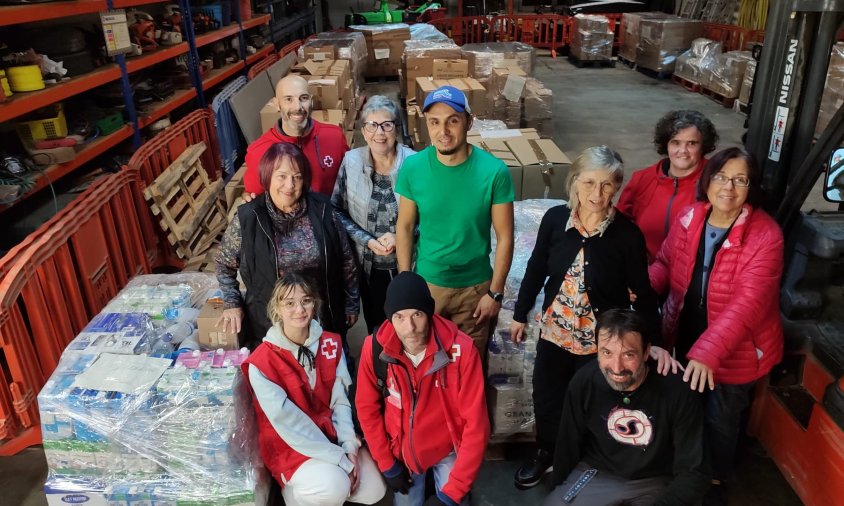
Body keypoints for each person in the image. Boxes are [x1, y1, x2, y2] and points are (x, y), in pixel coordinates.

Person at [510, 146, 663, 490]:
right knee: (547, 395)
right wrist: (520, 314)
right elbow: (536, 269)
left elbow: (643, 291)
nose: (597, 194)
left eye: (608, 185)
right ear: (575, 181)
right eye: (589, 182)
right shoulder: (554, 221)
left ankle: (580, 460)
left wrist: (656, 343)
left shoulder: (626, 235)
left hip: (600, 342)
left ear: (618, 187)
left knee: (592, 401)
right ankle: (546, 452)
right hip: (555, 332)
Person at [649, 147, 784, 504]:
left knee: (720, 419)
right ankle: (689, 470)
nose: (729, 187)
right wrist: (640, 288)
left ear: (750, 188)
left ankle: (714, 481)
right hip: (687, 333)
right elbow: (665, 262)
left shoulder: (765, 236)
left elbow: (748, 304)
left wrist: (708, 353)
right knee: (687, 410)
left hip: (734, 350)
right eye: (722, 177)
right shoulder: (691, 216)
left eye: (740, 180)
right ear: (708, 181)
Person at [241, 273, 386, 506]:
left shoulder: (330, 343)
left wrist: (348, 445)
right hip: (291, 444)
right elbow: (289, 424)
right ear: (277, 308)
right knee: (335, 485)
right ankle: (295, 495)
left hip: (329, 435)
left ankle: (323, 489)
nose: (299, 309)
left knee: (374, 488)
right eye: (289, 303)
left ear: (314, 303)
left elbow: (341, 402)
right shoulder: (262, 362)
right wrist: (341, 460)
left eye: (306, 300)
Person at [544, 308, 710, 506]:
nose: (617, 367)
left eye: (628, 355)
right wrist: (558, 491)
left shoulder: (677, 390)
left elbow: (695, 470)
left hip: (656, 480)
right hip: (598, 473)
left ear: (647, 352)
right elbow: (567, 445)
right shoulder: (584, 382)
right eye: (607, 353)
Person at [395, 85, 514, 358]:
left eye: (453, 121)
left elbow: (505, 236)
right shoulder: (414, 168)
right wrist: (405, 281)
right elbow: (404, 226)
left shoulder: (494, 172)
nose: (443, 132)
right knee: (423, 362)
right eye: (434, 122)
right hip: (428, 285)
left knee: (468, 364)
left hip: (475, 290)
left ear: (468, 122)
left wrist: (494, 293)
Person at [355, 272, 490, 506]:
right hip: (403, 455)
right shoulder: (374, 348)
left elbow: (476, 425)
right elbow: (366, 408)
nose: (410, 328)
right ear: (389, 318)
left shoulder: (463, 351)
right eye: (399, 317)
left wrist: (451, 493)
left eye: (417, 314)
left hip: (448, 449)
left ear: (429, 312)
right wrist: (388, 464)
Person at [215, 142, 359, 350]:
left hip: (323, 318)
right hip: (271, 325)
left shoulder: (323, 210)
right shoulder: (249, 218)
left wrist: (351, 302)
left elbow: (346, 260)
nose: (289, 185)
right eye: (281, 176)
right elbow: (223, 264)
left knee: (331, 376)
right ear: (267, 177)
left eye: (297, 177)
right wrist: (232, 303)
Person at [331, 95, 416, 332]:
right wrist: (366, 240)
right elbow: (335, 210)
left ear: (396, 129)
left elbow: (431, 215)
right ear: (364, 130)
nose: (380, 132)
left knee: (410, 327)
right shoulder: (351, 162)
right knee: (378, 330)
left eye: (387, 124)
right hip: (368, 267)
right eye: (372, 125)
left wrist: (401, 236)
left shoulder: (415, 162)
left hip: (410, 263)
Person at [617, 110, 719, 262]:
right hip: (645, 268)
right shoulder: (643, 179)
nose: (683, 151)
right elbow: (619, 223)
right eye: (676, 142)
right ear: (666, 145)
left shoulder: (717, 182)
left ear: (703, 146)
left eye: (692, 143)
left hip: (691, 274)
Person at [243, 74, 349, 197]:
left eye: (303, 98)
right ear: (277, 104)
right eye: (288, 99)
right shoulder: (259, 152)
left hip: (328, 214)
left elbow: (350, 180)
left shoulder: (334, 137)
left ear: (311, 101)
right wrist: (246, 196)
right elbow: (253, 199)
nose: (297, 107)